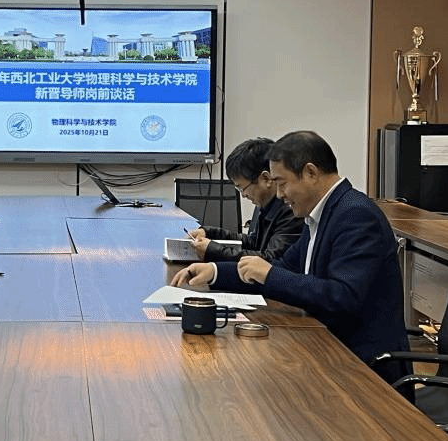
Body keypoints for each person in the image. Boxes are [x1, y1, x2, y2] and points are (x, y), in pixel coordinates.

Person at [170, 130, 411, 388]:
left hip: (364, 369)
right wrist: (215, 272)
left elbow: (342, 296)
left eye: (282, 183)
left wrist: (268, 274)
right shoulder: (320, 214)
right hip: (327, 350)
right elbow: (282, 269)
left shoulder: (355, 215)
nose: (280, 194)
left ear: (310, 173)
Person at [187, 137, 305, 263]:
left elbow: (270, 260)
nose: (243, 195)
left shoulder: (291, 210)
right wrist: (209, 233)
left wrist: (213, 251)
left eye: (242, 188)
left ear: (266, 179)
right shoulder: (267, 205)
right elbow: (253, 242)